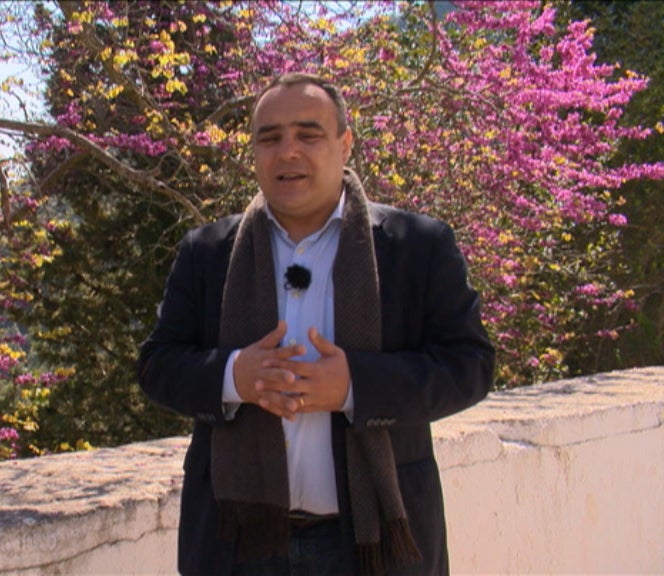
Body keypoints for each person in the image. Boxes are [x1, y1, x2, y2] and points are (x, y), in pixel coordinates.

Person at [138, 72, 495, 576]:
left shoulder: (417, 247)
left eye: (308, 134)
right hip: (237, 542)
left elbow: (471, 366)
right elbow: (157, 365)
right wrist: (234, 376)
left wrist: (355, 386)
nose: (288, 152)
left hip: (373, 547)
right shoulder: (208, 253)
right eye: (270, 138)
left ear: (344, 144)